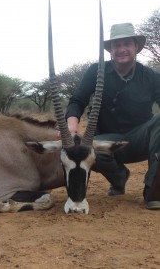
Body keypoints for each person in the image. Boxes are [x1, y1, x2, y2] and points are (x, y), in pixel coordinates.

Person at [65, 22, 160, 209]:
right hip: (106, 142)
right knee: (85, 149)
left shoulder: (151, 76)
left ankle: (153, 189)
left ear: (136, 47)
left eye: (127, 44)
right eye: (117, 45)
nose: (122, 49)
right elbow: (77, 100)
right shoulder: (96, 70)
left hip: (141, 139)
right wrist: (71, 124)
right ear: (110, 50)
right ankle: (119, 179)